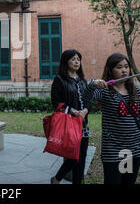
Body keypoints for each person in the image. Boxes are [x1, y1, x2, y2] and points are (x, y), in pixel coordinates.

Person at [83, 53, 140, 184]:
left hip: (133, 150)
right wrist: (93, 84)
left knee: (127, 182)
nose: (124, 70)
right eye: (119, 67)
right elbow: (87, 97)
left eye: (126, 66)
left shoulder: (136, 91)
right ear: (111, 70)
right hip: (113, 150)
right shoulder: (105, 90)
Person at [50, 49, 92, 184]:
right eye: (73, 59)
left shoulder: (82, 80)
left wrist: (85, 110)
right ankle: (57, 179)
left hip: (83, 123)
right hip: (69, 123)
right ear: (66, 61)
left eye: (78, 59)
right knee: (74, 157)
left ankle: (65, 180)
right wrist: (73, 111)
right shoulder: (59, 80)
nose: (76, 62)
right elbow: (56, 103)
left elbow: (88, 100)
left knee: (81, 157)